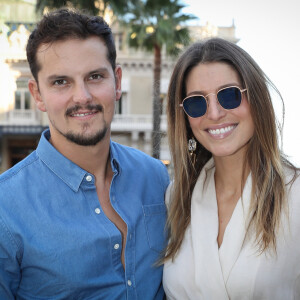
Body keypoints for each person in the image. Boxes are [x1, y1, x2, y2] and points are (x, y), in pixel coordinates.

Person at [0, 8, 169, 299]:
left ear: (117, 82)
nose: (82, 97)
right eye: (61, 82)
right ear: (37, 94)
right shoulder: (5, 207)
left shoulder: (155, 177)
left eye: (94, 76)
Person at [162, 38, 300, 299]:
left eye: (229, 95)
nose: (214, 113)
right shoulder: (176, 199)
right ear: (185, 117)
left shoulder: (296, 196)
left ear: (256, 99)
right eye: (196, 103)